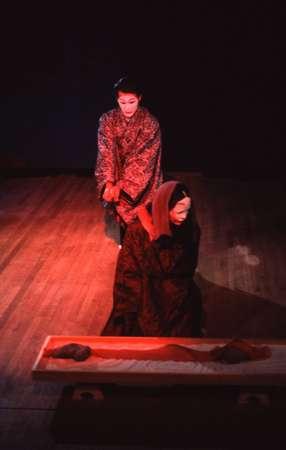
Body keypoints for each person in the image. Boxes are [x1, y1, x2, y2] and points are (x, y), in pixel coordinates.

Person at [101, 180, 203, 337]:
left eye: (187, 211)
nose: (184, 217)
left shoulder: (190, 229)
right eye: (180, 211)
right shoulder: (138, 232)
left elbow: (188, 267)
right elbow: (128, 272)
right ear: (165, 209)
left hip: (176, 288)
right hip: (145, 289)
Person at [95, 76, 162, 242]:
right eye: (122, 102)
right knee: (109, 193)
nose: (127, 107)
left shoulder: (150, 123)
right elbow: (106, 152)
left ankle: (143, 219)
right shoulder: (107, 120)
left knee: (133, 198)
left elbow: (143, 160)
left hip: (142, 177)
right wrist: (109, 182)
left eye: (131, 101)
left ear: (139, 98)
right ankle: (129, 230)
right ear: (117, 100)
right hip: (116, 173)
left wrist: (122, 185)